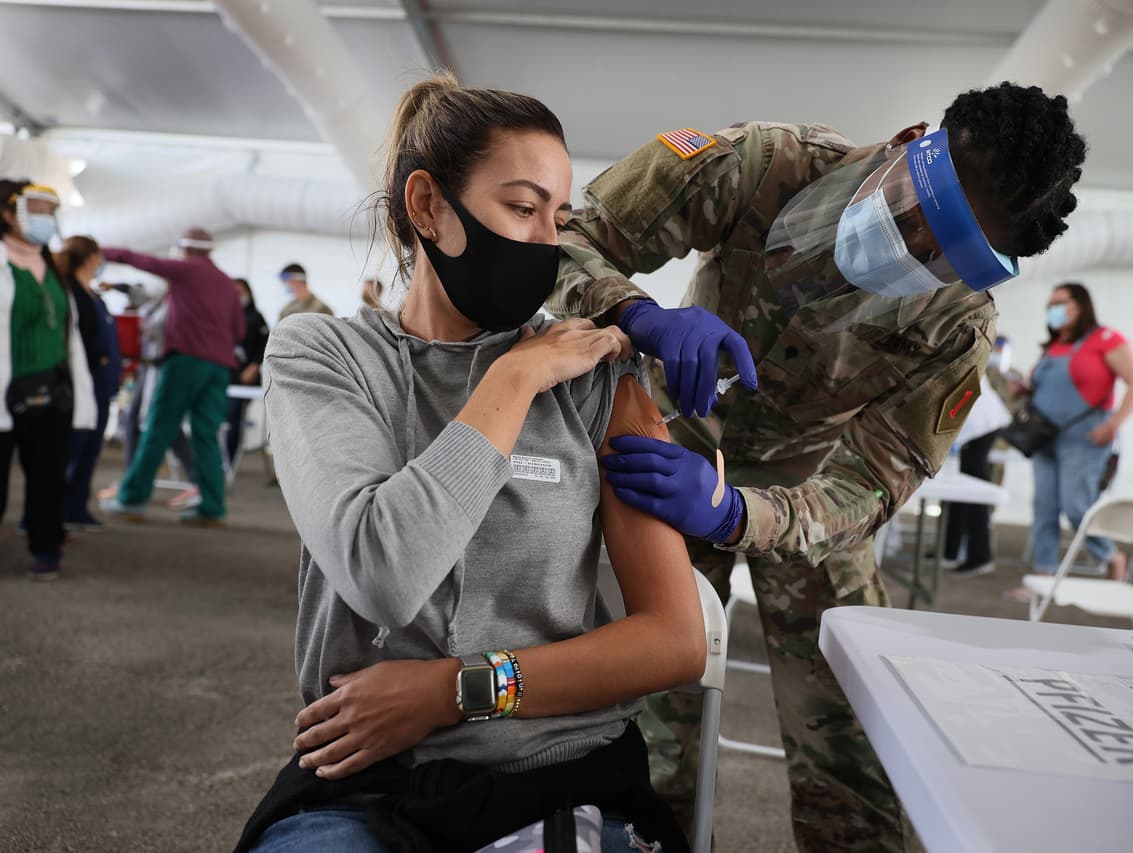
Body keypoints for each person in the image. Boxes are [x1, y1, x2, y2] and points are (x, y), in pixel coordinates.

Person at [548, 82, 1087, 851]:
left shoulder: (958, 324)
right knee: (647, 723)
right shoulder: (763, 165)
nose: (916, 246)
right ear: (909, 141)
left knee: (854, 746)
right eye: (919, 210)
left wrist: (740, 513)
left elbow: (874, 479)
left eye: (948, 253)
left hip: (806, 497)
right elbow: (567, 239)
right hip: (667, 463)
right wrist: (636, 313)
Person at [235, 74, 705, 853]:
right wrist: (513, 377)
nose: (547, 243)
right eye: (522, 209)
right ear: (427, 206)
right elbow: (384, 572)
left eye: (559, 218)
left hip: (561, 770)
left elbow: (673, 639)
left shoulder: (595, 376)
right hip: (367, 780)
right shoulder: (324, 355)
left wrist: (456, 690)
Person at [98, 228, 243, 525]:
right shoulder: (227, 283)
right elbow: (239, 330)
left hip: (186, 360)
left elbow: (141, 260)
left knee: (158, 428)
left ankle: (132, 499)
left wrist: (98, 251)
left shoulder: (186, 270)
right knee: (206, 436)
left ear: (184, 249)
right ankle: (212, 508)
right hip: (219, 367)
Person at [0, 180, 96, 579]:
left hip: (51, 390)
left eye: (50, 210)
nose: (47, 218)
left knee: (48, 474)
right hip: (6, 388)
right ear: (8, 213)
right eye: (37, 209)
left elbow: (68, 335)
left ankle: (46, 547)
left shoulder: (52, 268)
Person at [1021, 282, 1133, 584]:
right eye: (1050, 305)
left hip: (1085, 440)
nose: (1053, 309)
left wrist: (1114, 424)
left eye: (1060, 303)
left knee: (1077, 506)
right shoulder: (1051, 347)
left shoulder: (1105, 339)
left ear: (1081, 305)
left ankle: (1112, 557)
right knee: (1044, 508)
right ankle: (1043, 577)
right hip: (1044, 438)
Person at [55, 236, 122, 531]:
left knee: (89, 450)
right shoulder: (69, 292)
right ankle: (54, 512)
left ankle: (76, 507)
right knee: (71, 449)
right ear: (90, 257)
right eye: (99, 256)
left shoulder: (93, 294)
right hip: (83, 383)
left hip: (101, 385)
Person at [940, 349, 1012, 577]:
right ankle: (949, 550)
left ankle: (980, 555)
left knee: (973, 491)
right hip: (975, 423)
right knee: (960, 489)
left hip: (980, 425)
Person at [225, 278, 269, 468]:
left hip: (245, 378)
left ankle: (229, 462)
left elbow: (265, 344)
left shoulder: (256, 317)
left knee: (234, 417)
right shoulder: (224, 316)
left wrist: (254, 366)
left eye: (240, 291)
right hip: (224, 375)